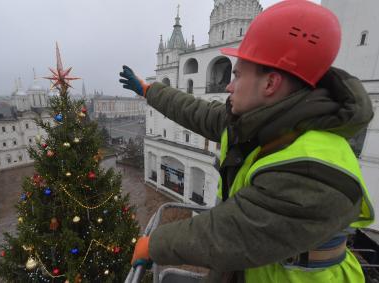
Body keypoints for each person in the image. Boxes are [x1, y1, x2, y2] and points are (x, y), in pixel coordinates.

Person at [119, 1, 375, 282]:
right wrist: (149, 90)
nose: (228, 86)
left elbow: (234, 233)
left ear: (270, 84)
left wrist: (156, 244)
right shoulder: (262, 124)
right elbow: (197, 112)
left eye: (237, 75)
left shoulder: (313, 165)